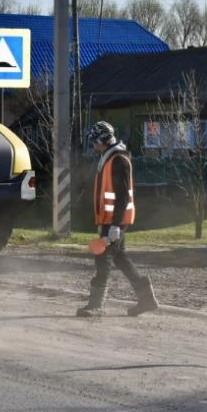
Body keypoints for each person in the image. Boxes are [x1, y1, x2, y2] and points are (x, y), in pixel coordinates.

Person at [77, 121, 159, 317]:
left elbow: (122, 195)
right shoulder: (110, 157)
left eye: (93, 140)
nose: (92, 144)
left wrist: (115, 225)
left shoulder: (118, 160)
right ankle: (146, 299)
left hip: (115, 220)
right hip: (111, 219)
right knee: (121, 259)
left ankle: (96, 305)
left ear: (101, 140)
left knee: (102, 258)